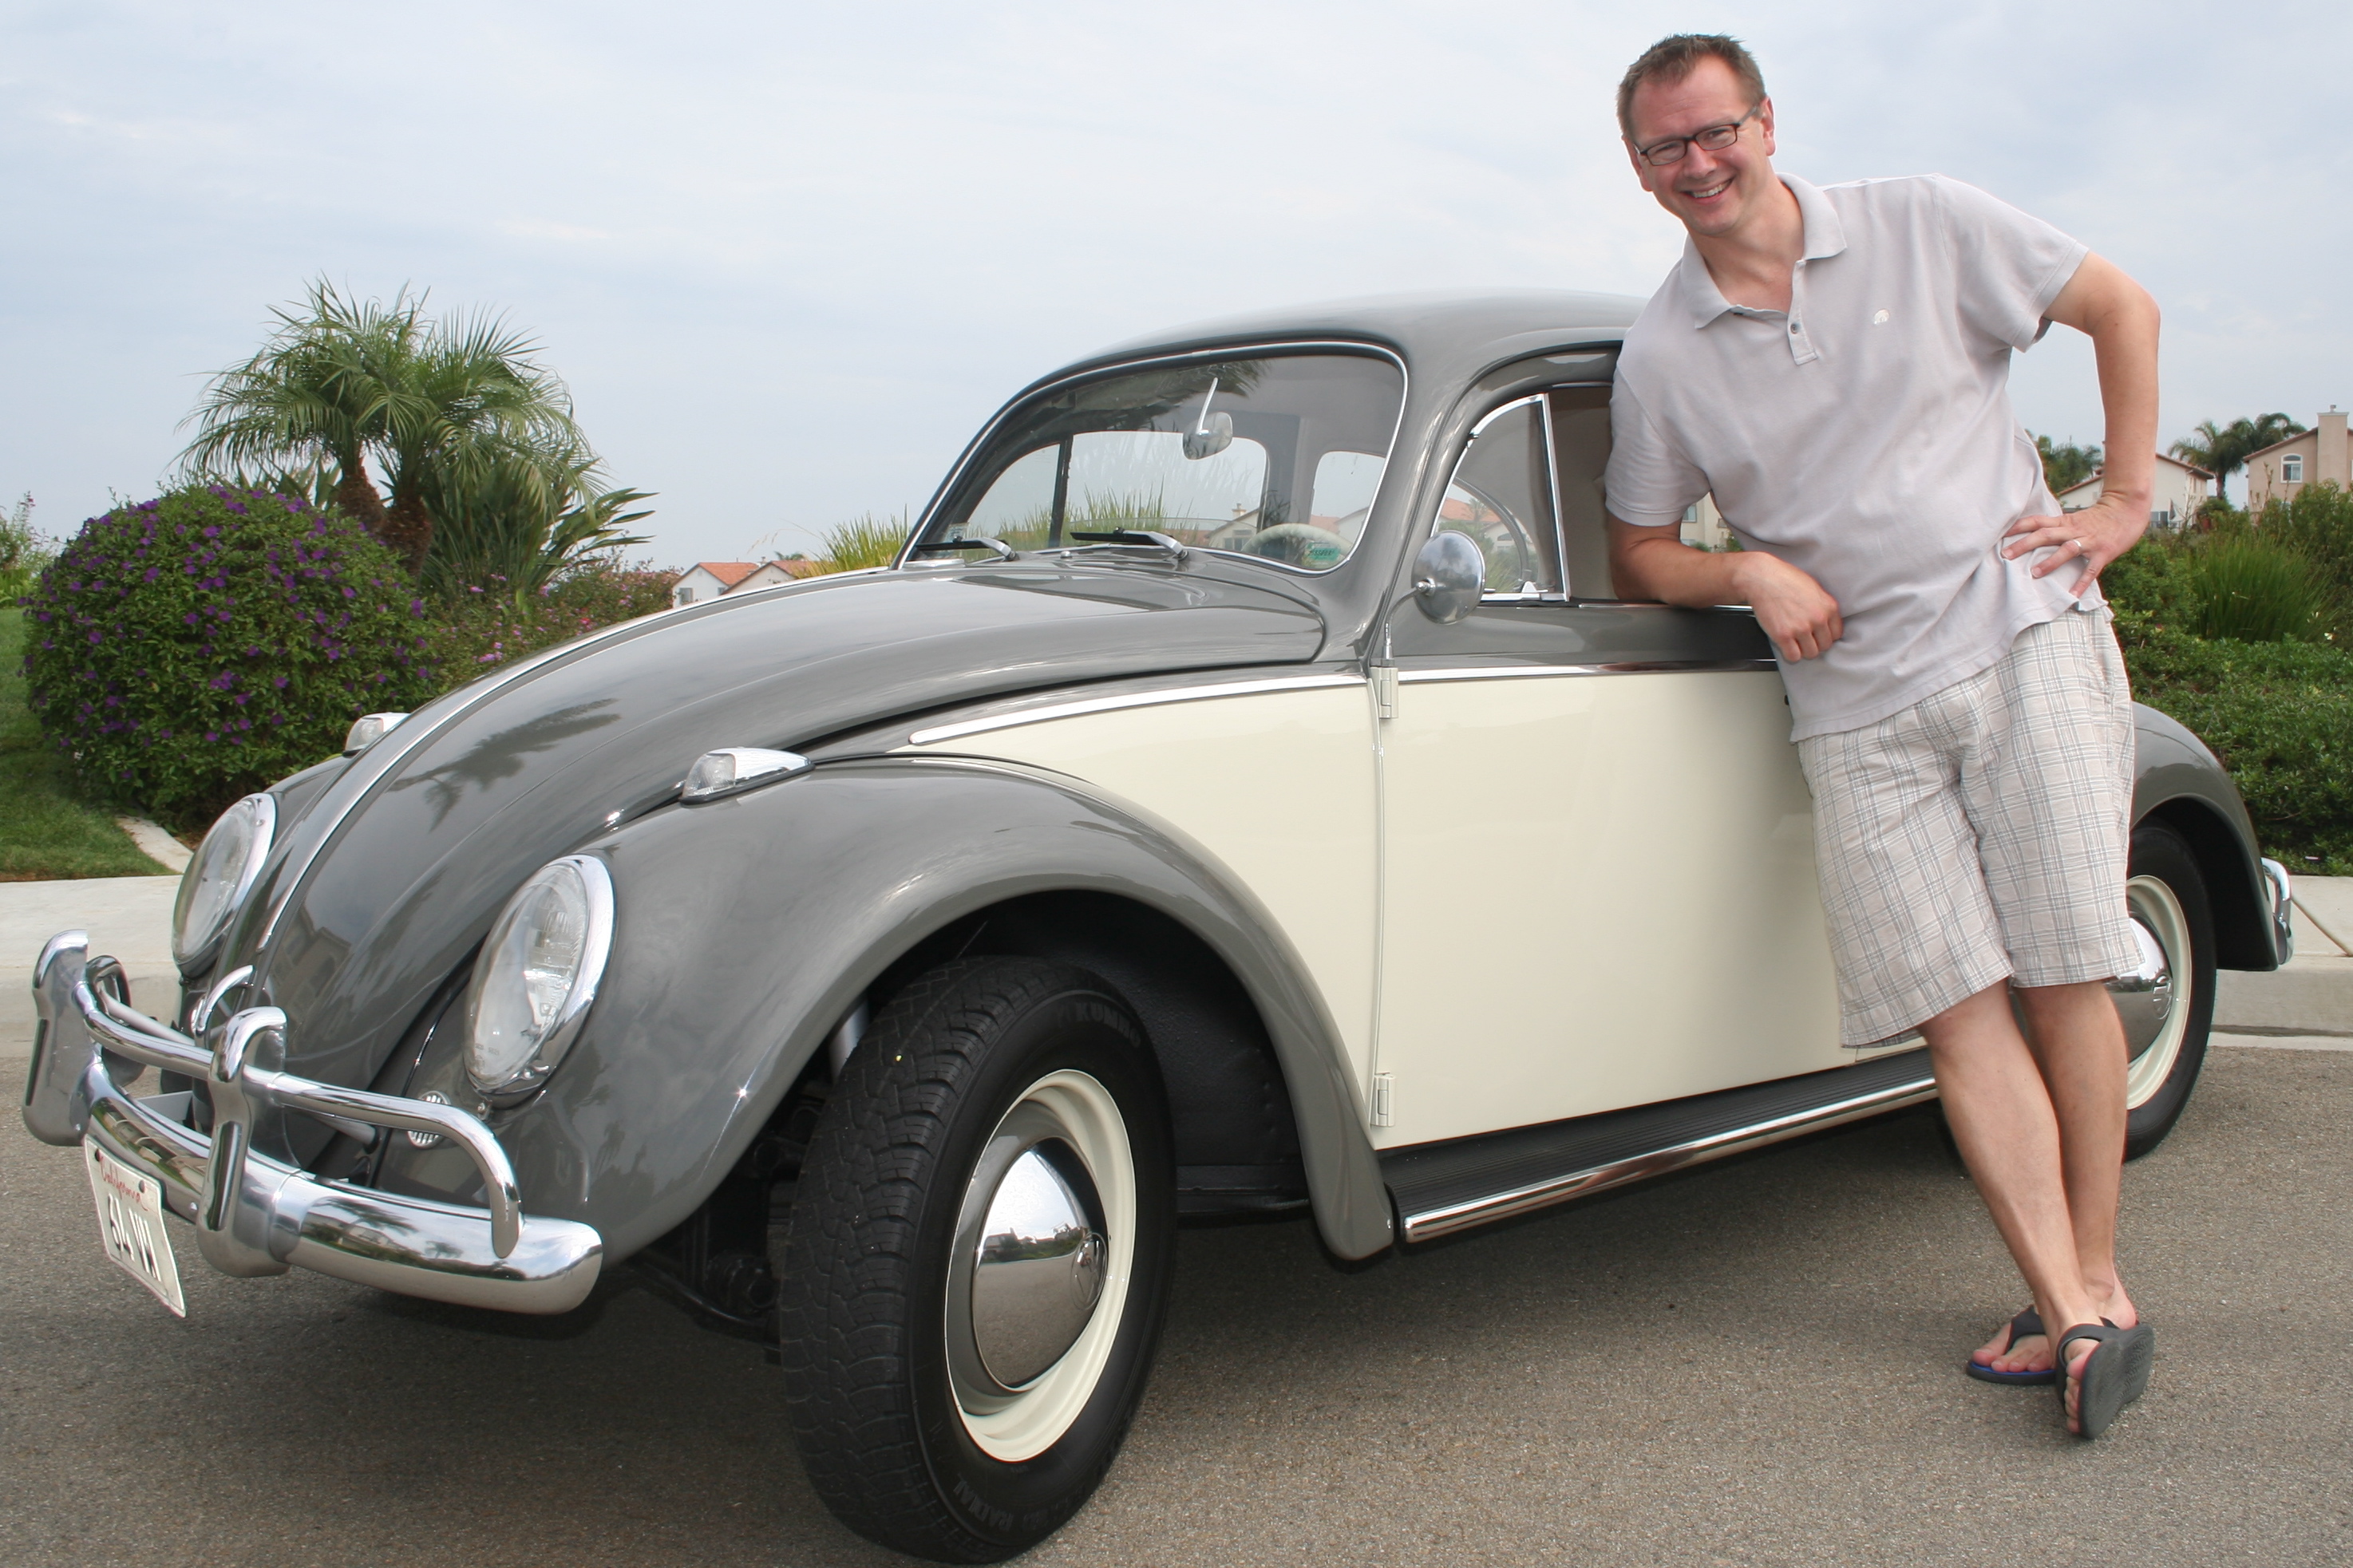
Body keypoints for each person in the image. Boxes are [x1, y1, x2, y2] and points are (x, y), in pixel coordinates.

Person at [1600, 34, 2162, 1439]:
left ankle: (2082, 1290)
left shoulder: (1925, 220)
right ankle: (2079, 1304)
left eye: (1716, 130)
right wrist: (1750, 572)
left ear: (1768, 122)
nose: (1699, 164)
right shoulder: (1663, 352)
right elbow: (1641, 551)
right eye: (1667, 147)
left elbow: (2120, 305)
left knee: (2065, 968)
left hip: (2024, 633)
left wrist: (2126, 500)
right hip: (1855, 707)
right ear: (1640, 170)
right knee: (1956, 1007)